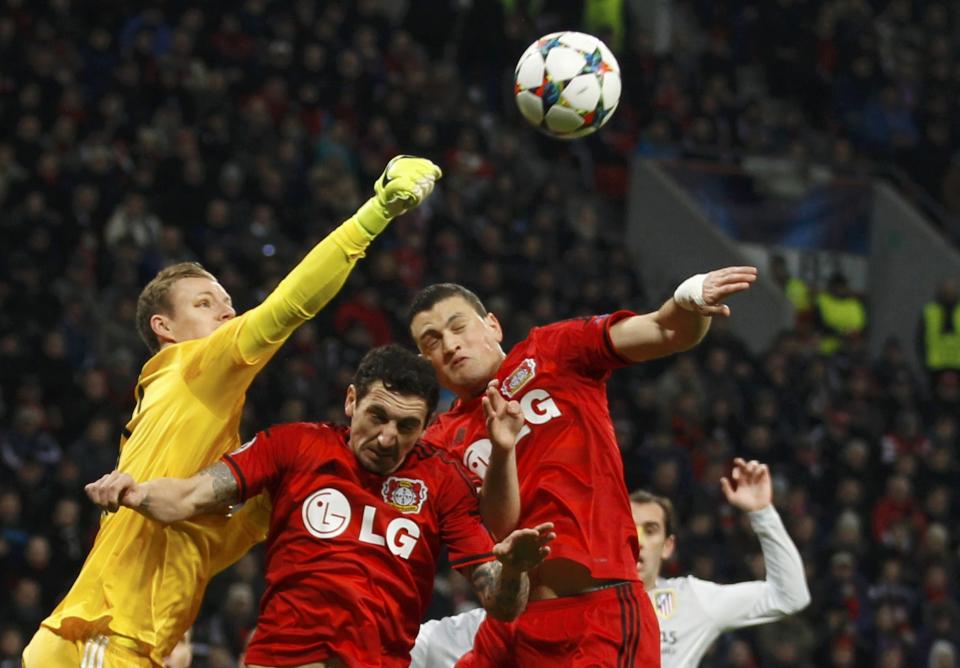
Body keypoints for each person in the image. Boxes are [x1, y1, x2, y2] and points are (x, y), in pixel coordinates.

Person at [23, 156, 443, 667]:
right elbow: (290, 305)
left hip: (125, 643)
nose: (227, 312)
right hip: (107, 636)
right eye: (205, 303)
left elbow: (210, 541)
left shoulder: (185, 421)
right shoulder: (195, 366)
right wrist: (376, 212)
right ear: (165, 328)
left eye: (227, 301)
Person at [86, 345, 556, 667]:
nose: (388, 437)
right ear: (351, 401)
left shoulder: (442, 481)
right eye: (378, 415)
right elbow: (189, 496)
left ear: (427, 423)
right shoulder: (294, 445)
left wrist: (514, 570)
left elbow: (503, 606)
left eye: (408, 426)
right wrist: (134, 490)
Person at [406, 267, 758, 666]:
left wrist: (689, 301)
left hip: (598, 617)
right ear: (426, 362)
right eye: (432, 341)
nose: (450, 345)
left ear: (493, 325)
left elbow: (667, 330)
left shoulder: (553, 350)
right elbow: (493, 525)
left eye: (459, 327)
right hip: (510, 627)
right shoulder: (437, 444)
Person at [411, 458, 811, 668]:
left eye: (650, 530)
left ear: (669, 545)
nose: (636, 542)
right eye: (627, 529)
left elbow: (789, 595)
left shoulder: (692, 600)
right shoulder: (538, 605)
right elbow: (421, 645)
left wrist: (762, 514)